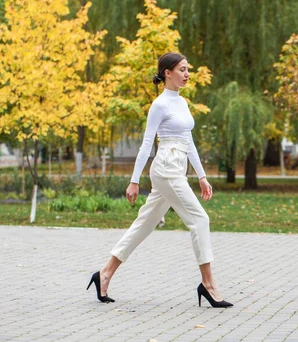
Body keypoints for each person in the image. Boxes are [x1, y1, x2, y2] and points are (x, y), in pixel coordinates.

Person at [87, 52, 233, 308]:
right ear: (167, 72)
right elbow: (146, 144)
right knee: (200, 219)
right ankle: (208, 284)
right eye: (182, 69)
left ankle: (105, 273)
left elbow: (189, 142)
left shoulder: (183, 103)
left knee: (145, 224)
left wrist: (202, 175)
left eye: (188, 69)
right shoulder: (160, 104)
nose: (187, 74)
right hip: (165, 167)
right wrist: (134, 181)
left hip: (178, 165)